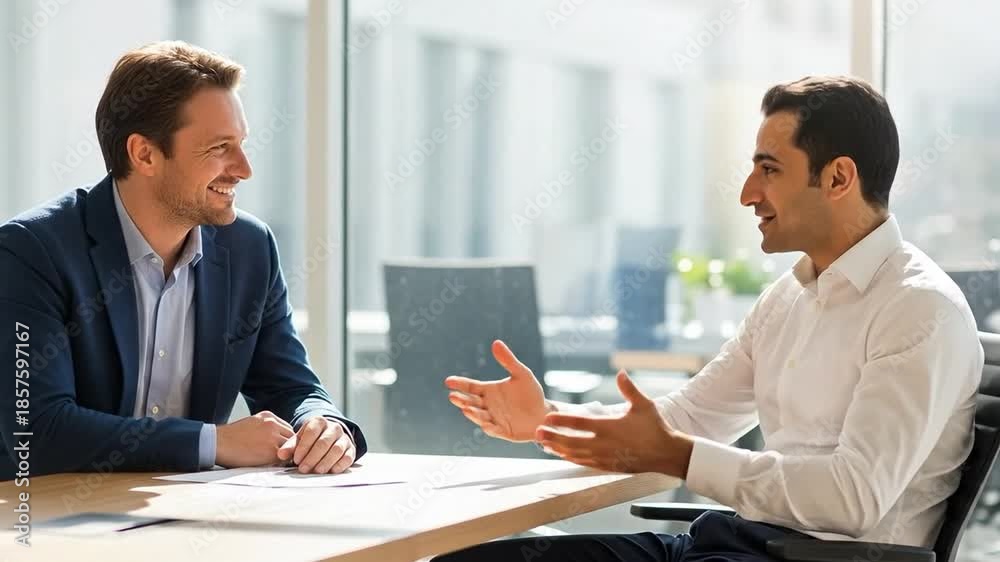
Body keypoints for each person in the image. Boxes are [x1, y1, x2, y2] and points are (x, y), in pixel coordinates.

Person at [439, 76, 984, 561]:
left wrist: (680, 457)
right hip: (726, 543)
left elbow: (852, 499)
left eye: (769, 169)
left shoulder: (918, 310)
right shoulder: (788, 298)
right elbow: (690, 416)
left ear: (839, 178)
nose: (748, 193)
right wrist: (548, 420)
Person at [0, 41, 365, 480]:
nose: (244, 168)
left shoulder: (249, 249)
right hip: (48, 529)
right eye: (219, 148)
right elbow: (35, 432)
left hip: (187, 519)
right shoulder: (29, 251)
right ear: (145, 154)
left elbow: (291, 387)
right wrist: (213, 441)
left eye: (241, 144)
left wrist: (322, 427)